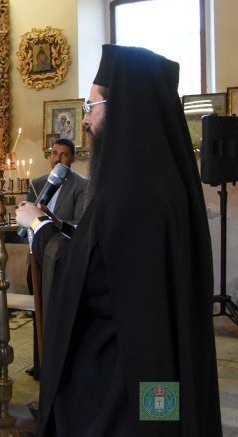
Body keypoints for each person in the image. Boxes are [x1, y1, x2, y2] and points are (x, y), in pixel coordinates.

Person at [15, 45, 221, 436]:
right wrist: (67, 229)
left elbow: (93, 277)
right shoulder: (160, 178)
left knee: (145, 424)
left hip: (122, 371)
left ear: (122, 107)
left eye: (91, 106)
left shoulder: (132, 189)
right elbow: (113, 248)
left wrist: (39, 227)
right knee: (163, 417)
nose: (85, 119)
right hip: (158, 357)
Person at [24, 138, 88, 379]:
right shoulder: (38, 183)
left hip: (61, 256)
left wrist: (51, 220)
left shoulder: (82, 185)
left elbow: (79, 224)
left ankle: (59, 366)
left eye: (64, 154)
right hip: (35, 256)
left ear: (72, 158)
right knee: (37, 310)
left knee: (58, 312)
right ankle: (39, 362)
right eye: (54, 153)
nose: (58, 158)